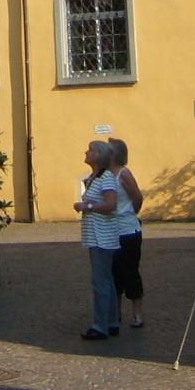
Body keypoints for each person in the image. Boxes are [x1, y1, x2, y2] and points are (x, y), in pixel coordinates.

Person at [73, 140, 119, 340]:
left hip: (102, 237)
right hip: (97, 236)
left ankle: (100, 325)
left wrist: (88, 207)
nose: (86, 152)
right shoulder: (95, 177)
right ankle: (111, 322)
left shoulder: (106, 177)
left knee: (100, 282)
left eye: (90, 150)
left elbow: (111, 204)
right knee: (106, 280)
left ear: (98, 155)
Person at [108, 138, 144, 329]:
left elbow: (137, 198)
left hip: (128, 230)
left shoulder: (124, 174)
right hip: (111, 231)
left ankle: (137, 314)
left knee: (130, 272)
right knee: (113, 274)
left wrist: (130, 213)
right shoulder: (105, 174)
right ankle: (116, 313)